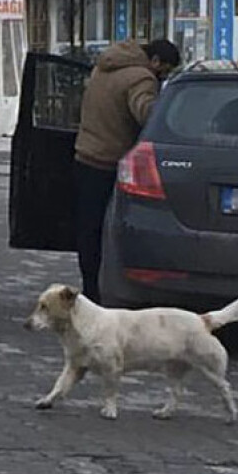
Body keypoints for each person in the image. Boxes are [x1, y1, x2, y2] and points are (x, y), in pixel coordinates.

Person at [74, 39, 181, 303]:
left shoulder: (104, 67)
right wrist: (170, 112)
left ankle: (90, 289)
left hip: (85, 156)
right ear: (155, 61)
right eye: (164, 71)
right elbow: (146, 114)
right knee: (114, 233)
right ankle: (109, 292)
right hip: (111, 163)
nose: (163, 76)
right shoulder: (141, 78)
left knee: (88, 231)